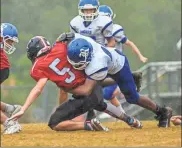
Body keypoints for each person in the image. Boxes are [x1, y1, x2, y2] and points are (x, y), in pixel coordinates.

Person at [9, 36, 142, 131]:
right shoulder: (60, 47)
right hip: (92, 81)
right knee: (98, 102)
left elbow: (38, 89)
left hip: (83, 92)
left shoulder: (39, 67)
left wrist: (23, 108)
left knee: (55, 123)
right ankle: (130, 120)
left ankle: (87, 125)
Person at [67, 33, 173, 128]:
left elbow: (88, 88)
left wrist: (75, 90)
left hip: (119, 66)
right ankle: (132, 77)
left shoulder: (97, 64)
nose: (75, 66)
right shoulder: (84, 41)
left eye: (79, 64)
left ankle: (163, 112)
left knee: (132, 98)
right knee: (88, 91)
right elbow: (71, 35)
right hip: (108, 61)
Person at [96, 5, 148, 116]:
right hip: (103, 64)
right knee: (104, 93)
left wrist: (140, 56)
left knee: (107, 93)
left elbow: (130, 43)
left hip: (116, 64)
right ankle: (122, 114)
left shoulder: (115, 30)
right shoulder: (95, 31)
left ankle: (128, 79)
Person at [0, 23, 22, 134]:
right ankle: (10, 109)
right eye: (9, 41)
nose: (10, 44)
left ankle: (9, 124)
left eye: (11, 42)